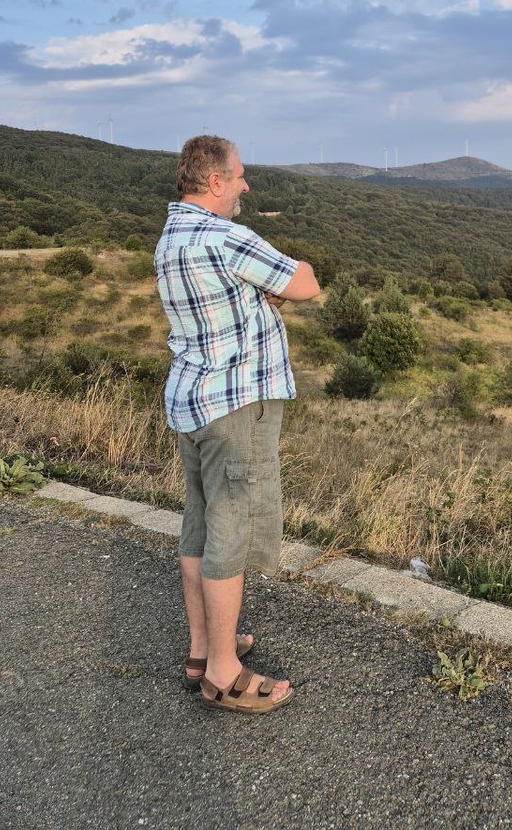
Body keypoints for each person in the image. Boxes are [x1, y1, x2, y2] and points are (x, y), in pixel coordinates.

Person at [154, 135, 320, 714]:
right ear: (217, 181)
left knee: (199, 523)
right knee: (230, 529)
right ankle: (224, 673)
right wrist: (289, 277)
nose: (247, 184)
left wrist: (258, 298)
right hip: (235, 406)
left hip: (192, 400)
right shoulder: (225, 238)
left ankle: (203, 647)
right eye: (241, 175)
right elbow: (305, 283)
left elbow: (223, 308)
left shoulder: (172, 236)